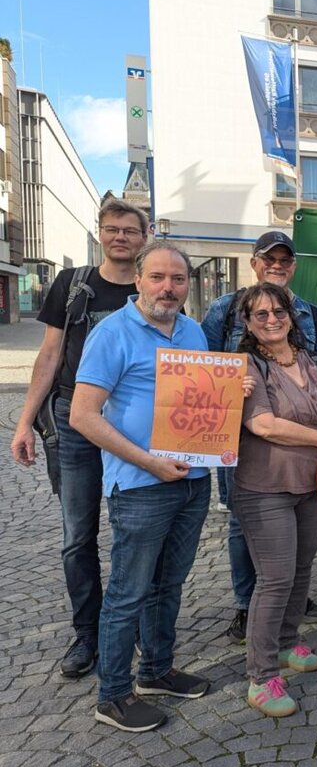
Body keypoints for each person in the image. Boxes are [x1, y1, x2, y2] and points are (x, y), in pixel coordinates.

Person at [69, 243, 220, 733]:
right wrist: (149, 462)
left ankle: (156, 670)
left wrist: (231, 392)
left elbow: (204, 400)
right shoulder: (112, 333)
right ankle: (112, 695)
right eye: (157, 277)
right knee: (128, 593)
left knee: (168, 586)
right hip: (139, 484)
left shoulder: (193, 331)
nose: (168, 288)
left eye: (177, 279)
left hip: (193, 482)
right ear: (138, 280)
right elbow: (83, 416)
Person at [9, 198, 147, 679]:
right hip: (72, 420)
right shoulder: (73, 285)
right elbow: (49, 354)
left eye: (130, 230)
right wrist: (26, 421)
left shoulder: (154, 287)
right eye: (113, 229)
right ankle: (88, 633)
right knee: (77, 537)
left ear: (143, 237)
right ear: (101, 233)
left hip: (132, 422)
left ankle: (129, 625)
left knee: (139, 530)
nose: (120, 237)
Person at [202, 231, 317, 642]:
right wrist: (227, 387)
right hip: (247, 446)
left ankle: (286, 605)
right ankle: (249, 604)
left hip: (305, 451)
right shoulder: (225, 309)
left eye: (284, 260)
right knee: (245, 525)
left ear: (293, 266)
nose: (277, 265)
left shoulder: (311, 313)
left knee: (297, 543)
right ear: (254, 262)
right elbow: (203, 369)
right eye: (269, 259)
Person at [232, 283, 317, 718]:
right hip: (265, 487)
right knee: (275, 579)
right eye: (261, 314)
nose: (272, 319)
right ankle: (260, 677)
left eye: (279, 311)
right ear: (248, 323)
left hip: (312, 482)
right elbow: (263, 424)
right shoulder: (248, 367)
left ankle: (285, 643)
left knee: (301, 569)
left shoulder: (311, 359)